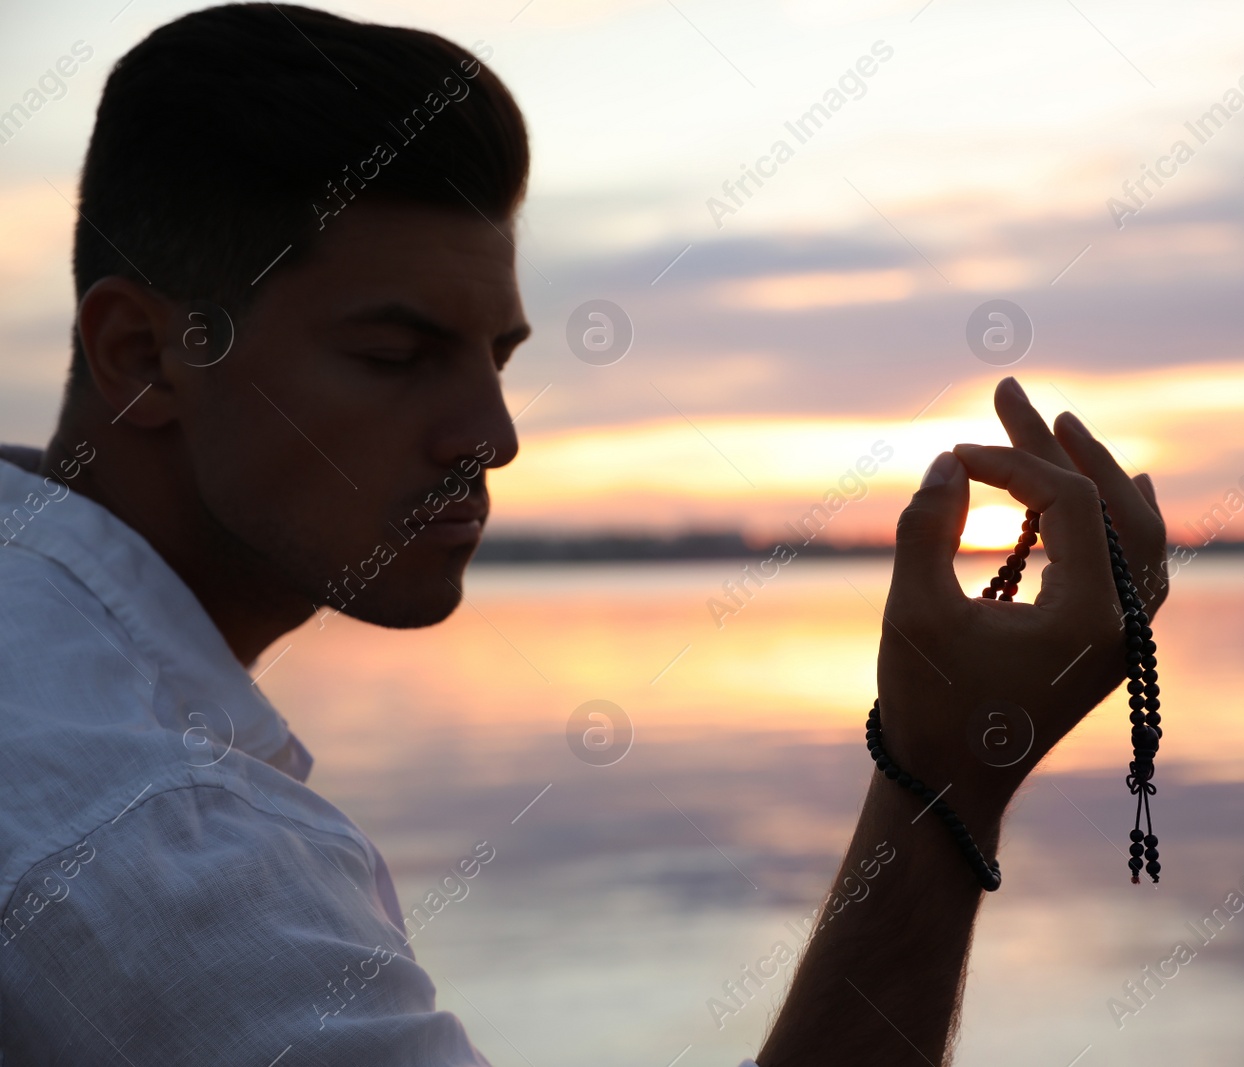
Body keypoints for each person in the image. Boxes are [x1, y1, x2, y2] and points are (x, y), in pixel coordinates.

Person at [0, 4, 1168, 1064]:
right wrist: (944, 781)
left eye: (496, 358)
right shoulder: (151, 834)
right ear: (144, 355)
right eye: (396, 357)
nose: (491, 435)